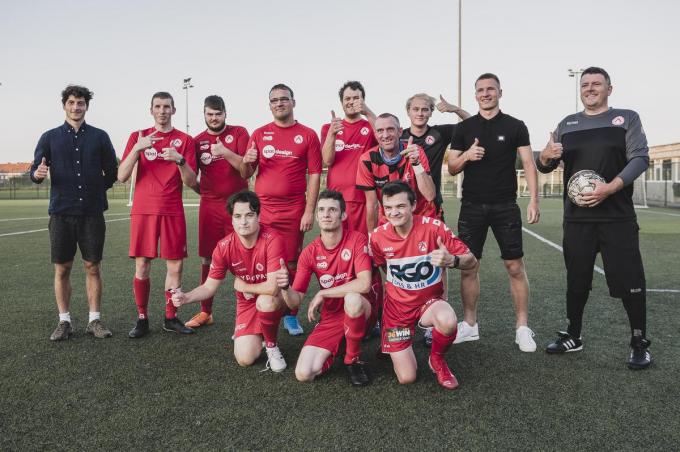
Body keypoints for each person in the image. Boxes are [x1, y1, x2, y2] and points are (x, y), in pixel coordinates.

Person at [537, 66, 652, 369]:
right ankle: (573, 335)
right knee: (577, 281)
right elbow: (547, 164)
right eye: (585, 84)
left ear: (609, 89)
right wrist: (545, 156)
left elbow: (640, 158)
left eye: (596, 84)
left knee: (630, 280)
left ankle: (639, 341)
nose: (589, 88)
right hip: (577, 219)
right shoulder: (567, 124)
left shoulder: (627, 118)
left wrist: (611, 187)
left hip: (617, 217)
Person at [447, 73, 540, 352]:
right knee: (467, 265)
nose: (485, 94)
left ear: (500, 92)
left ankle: (522, 328)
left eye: (490, 89)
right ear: (475, 95)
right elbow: (452, 167)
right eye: (480, 90)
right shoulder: (464, 128)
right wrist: (466, 156)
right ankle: (470, 326)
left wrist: (533, 200)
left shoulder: (515, 126)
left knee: (514, 266)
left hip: (505, 206)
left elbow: (528, 162)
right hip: (472, 206)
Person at [30, 84, 118, 341]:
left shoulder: (100, 136)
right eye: (71, 102)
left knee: (92, 266)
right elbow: (36, 169)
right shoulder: (49, 137)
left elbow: (111, 170)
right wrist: (36, 174)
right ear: (65, 105)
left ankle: (94, 320)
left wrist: (96, 188)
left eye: (80, 103)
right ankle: (64, 321)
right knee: (62, 268)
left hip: (91, 212)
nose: (76, 107)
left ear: (86, 106)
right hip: (61, 212)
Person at [370, 181, 476, 389]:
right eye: (389, 207)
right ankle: (391, 340)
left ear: (412, 205)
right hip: (397, 312)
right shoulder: (377, 237)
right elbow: (384, 268)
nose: (394, 212)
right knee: (407, 377)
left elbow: (471, 260)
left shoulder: (434, 228)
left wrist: (452, 261)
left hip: (429, 303)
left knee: (447, 320)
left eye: (400, 206)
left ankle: (437, 359)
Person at [171, 191, 292, 371]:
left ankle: (272, 346)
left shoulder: (273, 239)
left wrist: (243, 285)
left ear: (259, 216)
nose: (243, 222)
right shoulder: (223, 247)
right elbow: (209, 286)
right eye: (238, 216)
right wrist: (186, 297)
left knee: (267, 301)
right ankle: (256, 333)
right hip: (247, 302)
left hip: (278, 298)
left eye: (249, 215)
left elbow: (273, 288)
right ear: (232, 219)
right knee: (245, 358)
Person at [241, 83, 322, 336]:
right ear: (269, 105)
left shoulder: (308, 135)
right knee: (259, 263)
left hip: (293, 210)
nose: (279, 103)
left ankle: (289, 314)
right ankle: (257, 313)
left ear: (293, 102)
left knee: (289, 262)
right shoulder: (259, 133)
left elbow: (315, 175)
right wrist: (246, 162)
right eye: (274, 100)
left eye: (284, 99)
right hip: (263, 210)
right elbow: (246, 173)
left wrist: (309, 210)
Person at [118, 91, 197, 338]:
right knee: (142, 265)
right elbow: (121, 177)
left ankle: (170, 317)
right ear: (151, 110)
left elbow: (193, 182)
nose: (162, 111)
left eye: (167, 107)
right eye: (158, 106)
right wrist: (137, 149)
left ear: (174, 110)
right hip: (144, 210)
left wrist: (180, 160)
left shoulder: (185, 140)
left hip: (172, 209)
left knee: (175, 266)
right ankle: (142, 318)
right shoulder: (137, 137)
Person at [280, 190, 379, 386]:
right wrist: (285, 287)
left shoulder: (356, 240)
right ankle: (339, 351)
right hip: (332, 316)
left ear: (343, 215)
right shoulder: (309, 253)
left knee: (352, 298)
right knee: (304, 373)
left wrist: (323, 292)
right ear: (316, 216)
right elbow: (295, 299)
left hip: (362, 310)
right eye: (322, 210)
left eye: (332, 210)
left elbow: (364, 283)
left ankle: (353, 359)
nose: (326, 214)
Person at [185, 95, 250, 328]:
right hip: (210, 207)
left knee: (244, 256)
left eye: (218, 114)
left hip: (239, 206)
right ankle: (206, 312)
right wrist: (203, 192)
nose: (214, 118)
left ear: (225, 113)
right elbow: (190, 178)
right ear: (204, 114)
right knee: (208, 257)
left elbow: (246, 171)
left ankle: (248, 312)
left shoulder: (240, 133)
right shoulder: (197, 141)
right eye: (209, 114)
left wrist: (224, 151)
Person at [356, 113, 437, 232]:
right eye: (380, 131)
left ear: (400, 131)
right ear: (375, 134)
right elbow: (372, 205)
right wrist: (371, 235)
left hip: (420, 217)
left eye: (390, 129)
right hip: (390, 220)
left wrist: (416, 163)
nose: (385, 135)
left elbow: (430, 195)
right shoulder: (367, 159)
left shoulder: (415, 151)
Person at [320, 81, 377, 234]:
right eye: (347, 99)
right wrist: (332, 134)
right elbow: (327, 160)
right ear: (341, 102)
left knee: (362, 246)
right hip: (336, 199)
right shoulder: (329, 128)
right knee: (336, 245)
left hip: (363, 199)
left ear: (363, 100)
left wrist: (368, 112)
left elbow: (386, 137)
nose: (351, 102)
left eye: (356, 98)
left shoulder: (370, 126)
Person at [402, 93, 470, 218]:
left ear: (431, 112)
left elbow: (472, 125)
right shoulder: (400, 137)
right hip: (404, 202)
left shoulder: (440, 133)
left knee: (436, 238)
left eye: (425, 109)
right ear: (408, 111)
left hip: (431, 202)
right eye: (415, 109)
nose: (420, 113)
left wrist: (456, 109)